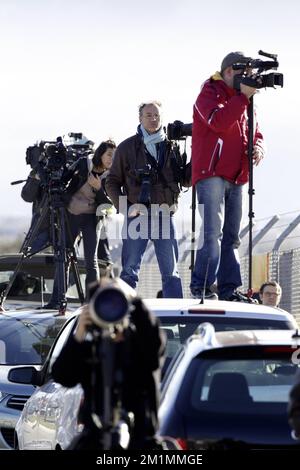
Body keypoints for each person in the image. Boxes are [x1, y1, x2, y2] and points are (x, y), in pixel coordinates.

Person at [51, 278, 165, 449]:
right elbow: (63, 375)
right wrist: (79, 332)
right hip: (96, 439)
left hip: (140, 441)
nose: (111, 310)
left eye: (116, 303)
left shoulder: (140, 348)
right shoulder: (91, 348)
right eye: (105, 304)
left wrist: (134, 298)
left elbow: (155, 347)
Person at [190, 51, 265, 301]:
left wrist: (259, 146)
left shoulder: (244, 99)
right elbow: (218, 121)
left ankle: (229, 289)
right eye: (243, 74)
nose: (247, 79)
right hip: (211, 173)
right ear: (229, 71)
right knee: (213, 233)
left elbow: (254, 129)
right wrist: (243, 97)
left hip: (238, 175)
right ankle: (202, 287)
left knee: (232, 237)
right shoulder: (209, 92)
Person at [105, 101, 190, 298]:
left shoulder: (172, 145)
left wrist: (198, 159)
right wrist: (126, 207)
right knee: (129, 271)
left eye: (157, 116)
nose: (153, 119)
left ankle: (176, 316)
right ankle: (124, 315)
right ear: (140, 118)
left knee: (171, 272)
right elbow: (111, 182)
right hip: (138, 215)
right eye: (149, 115)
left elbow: (185, 181)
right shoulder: (127, 147)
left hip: (164, 214)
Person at [45, 140, 116, 309]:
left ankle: (91, 303)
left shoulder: (112, 175)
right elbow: (65, 179)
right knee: (64, 256)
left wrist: (98, 188)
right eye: (109, 154)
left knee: (91, 262)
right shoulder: (84, 163)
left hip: (93, 219)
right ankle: (56, 299)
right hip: (72, 215)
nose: (111, 159)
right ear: (100, 153)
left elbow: (108, 206)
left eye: (114, 156)